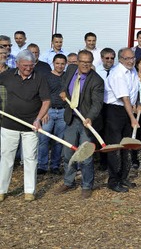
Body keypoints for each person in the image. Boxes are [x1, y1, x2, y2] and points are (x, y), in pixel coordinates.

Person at [0, 50, 51, 202]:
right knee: (6, 158)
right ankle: (2, 190)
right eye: (25, 65)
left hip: (31, 126)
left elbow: (46, 101)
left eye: (31, 65)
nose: (28, 68)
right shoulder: (7, 76)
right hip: (9, 125)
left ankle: (29, 190)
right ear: (17, 64)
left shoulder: (39, 78)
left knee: (30, 158)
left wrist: (38, 119)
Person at [54, 50, 104, 199]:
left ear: (92, 62)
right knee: (68, 152)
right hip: (71, 119)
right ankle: (68, 182)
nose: (85, 65)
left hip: (87, 122)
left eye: (88, 62)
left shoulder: (97, 81)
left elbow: (97, 104)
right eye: (82, 62)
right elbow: (64, 84)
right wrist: (63, 92)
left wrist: (90, 117)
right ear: (77, 62)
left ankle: (87, 185)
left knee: (85, 155)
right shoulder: (70, 70)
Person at [104, 48, 140, 193]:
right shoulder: (117, 74)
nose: (131, 61)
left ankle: (123, 177)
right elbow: (124, 97)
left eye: (133, 58)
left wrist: (137, 106)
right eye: (127, 59)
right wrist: (132, 118)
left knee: (127, 146)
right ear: (120, 60)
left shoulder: (132, 71)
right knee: (115, 147)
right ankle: (113, 181)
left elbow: (133, 92)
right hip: (115, 111)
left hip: (128, 109)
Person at [37, 54, 67, 175]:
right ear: (53, 63)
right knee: (43, 139)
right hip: (48, 111)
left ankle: (55, 165)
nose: (60, 66)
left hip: (62, 111)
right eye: (57, 63)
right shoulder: (46, 77)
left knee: (59, 140)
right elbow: (41, 95)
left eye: (62, 64)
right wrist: (43, 112)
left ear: (65, 65)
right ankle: (42, 165)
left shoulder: (67, 77)